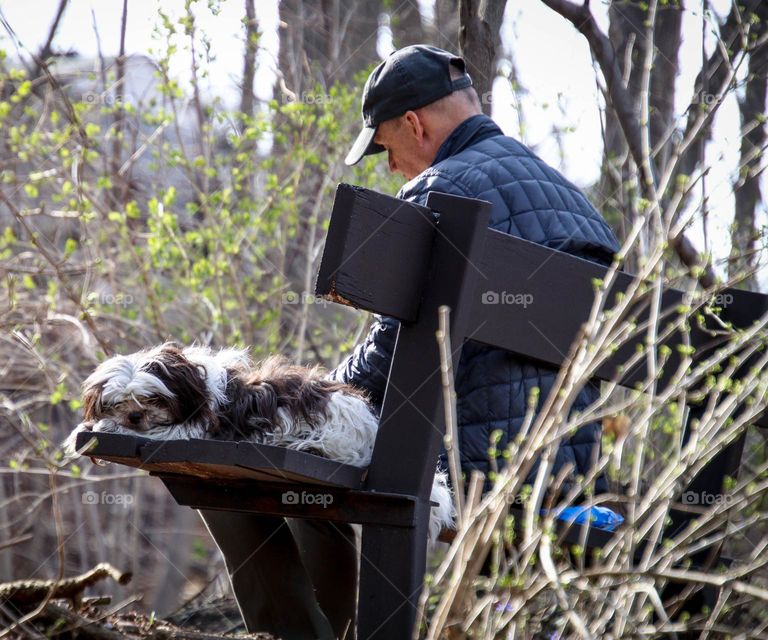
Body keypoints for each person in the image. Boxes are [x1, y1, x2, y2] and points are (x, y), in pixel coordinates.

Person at [200, 44, 620, 640]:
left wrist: (309, 393)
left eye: (386, 150)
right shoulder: (581, 206)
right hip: (574, 477)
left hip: (463, 473)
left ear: (415, 125)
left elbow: (385, 363)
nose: (393, 169)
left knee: (235, 465)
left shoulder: (441, 192)